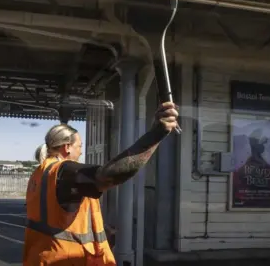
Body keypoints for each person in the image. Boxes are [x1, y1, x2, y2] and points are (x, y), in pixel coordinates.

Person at [24, 102, 179, 266]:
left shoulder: (40, 173)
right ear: (67, 147)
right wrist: (156, 134)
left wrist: (100, 232)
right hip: (66, 261)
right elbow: (110, 176)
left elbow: (59, 216)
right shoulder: (65, 171)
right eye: (79, 146)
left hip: (42, 258)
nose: (81, 151)